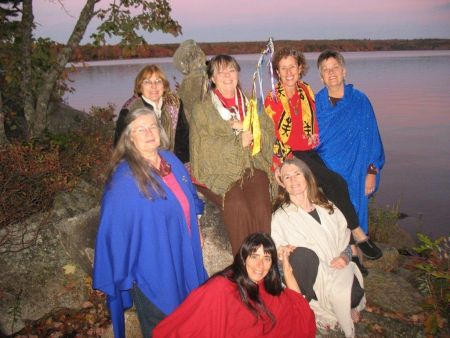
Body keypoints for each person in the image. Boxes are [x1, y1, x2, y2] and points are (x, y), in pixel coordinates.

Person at [92, 108, 208, 338]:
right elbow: (113, 230)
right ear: (129, 137)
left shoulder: (171, 160)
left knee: (191, 317)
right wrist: (121, 269)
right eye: (141, 129)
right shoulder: (124, 179)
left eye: (153, 126)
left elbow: (188, 198)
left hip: (184, 252)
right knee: (162, 326)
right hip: (152, 267)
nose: (149, 132)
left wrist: (196, 225)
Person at [264, 47, 381, 272]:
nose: (289, 72)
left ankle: (349, 250)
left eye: (293, 67)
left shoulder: (307, 91)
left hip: (308, 152)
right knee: (335, 183)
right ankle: (358, 234)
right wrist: (279, 165)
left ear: (300, 69)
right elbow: (270, 136)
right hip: (289, 155)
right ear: (277, 72)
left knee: (330, 192)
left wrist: (313, 136)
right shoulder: (272, 99)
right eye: (283, 68)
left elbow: (313, 126)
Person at [153, 232, 316, 337]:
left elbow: (298, 307)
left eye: (266, 258)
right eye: (254, 256)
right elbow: (189, 326)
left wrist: (287, 270)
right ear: (243, 258)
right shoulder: (222, 287)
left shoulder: (264, 288)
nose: (260, 265)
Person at [272, 158, 366, 338]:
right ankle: (305, 306)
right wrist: (282, 253)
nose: (293, 180)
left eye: (297, 174)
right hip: (309, 278)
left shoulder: (328, 208)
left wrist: (345, 257)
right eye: (287, 177)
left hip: (336, 271)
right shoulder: (280, 217)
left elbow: (346, 243)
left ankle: (343, 306)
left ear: (307, 177)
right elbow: (277, 257)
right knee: (301, 255)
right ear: (282, 183)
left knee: (354, 296)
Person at [190, 54, 274, 255]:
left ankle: (264, 262)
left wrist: (252, 133)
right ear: (212, 78)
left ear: (238, 73)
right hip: (219, 172)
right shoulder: (202, 110)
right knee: (237, 205)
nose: (227, 75)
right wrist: (237, 142)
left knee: (261, 206)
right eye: (220, 71)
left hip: (253, 166)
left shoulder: (253, 104)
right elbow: (202, 147)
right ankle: (244, 267)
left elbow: (269, 134)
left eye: (231, 70)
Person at [315, 50, 385, 238]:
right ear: (321, 77)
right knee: (333, 220)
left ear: (344, 71)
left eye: (335, 68)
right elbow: (310, 140)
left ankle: (358, 259)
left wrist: (371, 171)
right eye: (325, 70)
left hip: (357, 171)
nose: (331, 73)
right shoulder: (315, 104)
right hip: (328, 172)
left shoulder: (360, 101)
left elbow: (372, 140)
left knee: (356, 216)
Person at [114, 64, 190, 163]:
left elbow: (184, 139)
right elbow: (121, 148)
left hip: (173, 162)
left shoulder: (175, 104)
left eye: (158, 81)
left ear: (164, 85)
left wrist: (179, 167)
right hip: (142, 166)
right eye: (147, 82)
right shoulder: (130, 110)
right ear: (140, 86)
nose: (154, 86)